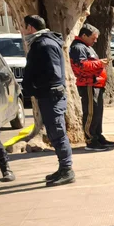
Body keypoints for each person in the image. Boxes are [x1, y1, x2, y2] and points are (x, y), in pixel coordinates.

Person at [21, 15, 75, 186]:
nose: (21, 30)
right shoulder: (40, 43)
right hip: (46, 95)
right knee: (53, 133)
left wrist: (37, 87)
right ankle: (62, 167)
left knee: (58, 132)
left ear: (30, 27)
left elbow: (53, 72)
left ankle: (67, 170)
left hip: (51, 95)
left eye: (23, 27)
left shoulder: (45, 44)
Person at [70, 23, 113, 151]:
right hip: (88, 84)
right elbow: (81, 66)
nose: (95, 40)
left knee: (97, 112)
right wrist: (100, 63)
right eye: (93, 38)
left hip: (96, 83)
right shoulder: (78, 48)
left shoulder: (86, 47)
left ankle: (98, 135)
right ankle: (90, 139)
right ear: (84, 35)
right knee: (90, 113)